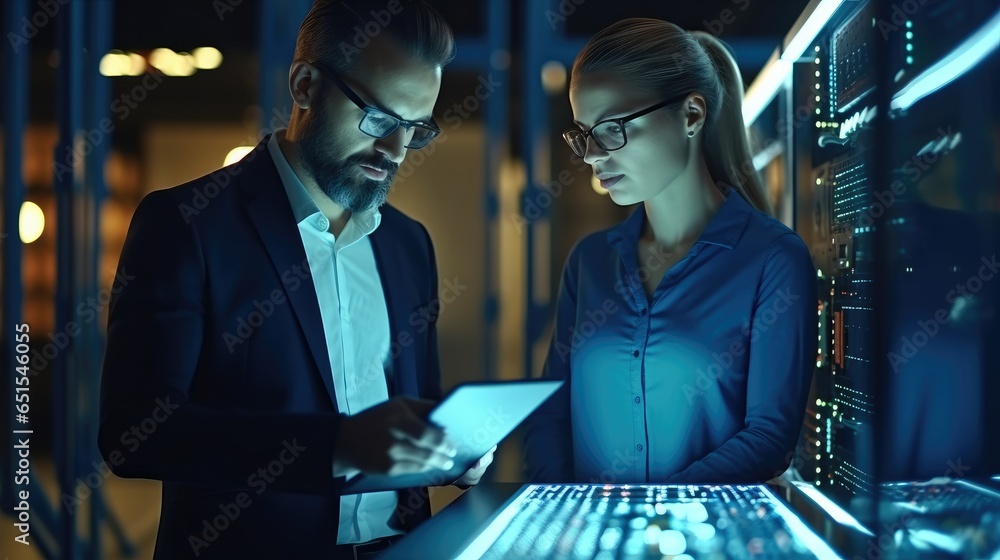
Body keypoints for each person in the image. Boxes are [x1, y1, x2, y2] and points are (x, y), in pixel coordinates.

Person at [97, 1, 493, 558]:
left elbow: (411, 407)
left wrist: (446, 448)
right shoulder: (187, 223)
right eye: (379, 120)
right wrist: (333, 447)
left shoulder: (409, 244)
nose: (396, 151)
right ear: (305, 85)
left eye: (415, 129)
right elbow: (134, 433)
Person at [523, 19, 818, 486]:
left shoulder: (773, 260)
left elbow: (769, 437)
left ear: (691, 116)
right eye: (584, 134)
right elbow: (549, 418)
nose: (594, 156)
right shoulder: (589, 263)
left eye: (613, 128)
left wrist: (657, 513)